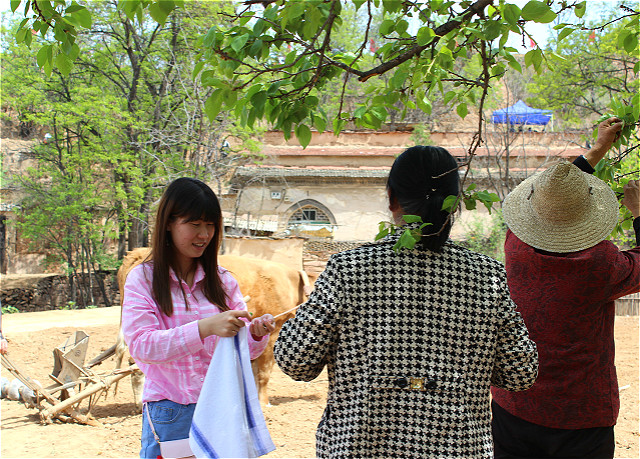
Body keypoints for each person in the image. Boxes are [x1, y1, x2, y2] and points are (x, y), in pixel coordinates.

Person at [274, 145, 539, 458]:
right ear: (453, 204)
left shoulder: (349, 269)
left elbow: (296, 361)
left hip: (360, 449)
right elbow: (521, 372)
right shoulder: (486, 276)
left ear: (391, 198)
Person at [491, 117, 640, 459]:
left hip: (516, 403)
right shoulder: (602, 264)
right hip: (582, 415)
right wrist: (639, 214)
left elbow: (556, 200)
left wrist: (597, 150)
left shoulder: (516, 246)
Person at [121, 177, 276, 459]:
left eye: (210, 225)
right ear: (169, 222)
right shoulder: (142, 279)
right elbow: (142, 346)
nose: (204, 234)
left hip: (222, 407)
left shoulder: (224, 281)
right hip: (172, 409)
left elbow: (247, 352)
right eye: (194, 224)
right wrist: (204, 328)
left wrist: (254, 333)